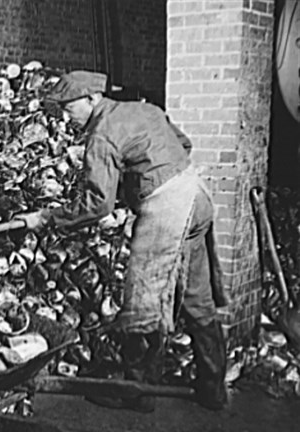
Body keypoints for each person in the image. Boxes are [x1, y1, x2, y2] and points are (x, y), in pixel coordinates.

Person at [18, 70, 230, 411]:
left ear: (91, 99)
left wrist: (45, 218)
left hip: (169, 206)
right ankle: (213, 386)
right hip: (196, 193)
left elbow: (97, 205)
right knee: (196, 294)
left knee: (142, 298)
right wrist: (141, 180)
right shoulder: (144, 109)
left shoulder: (101, 135)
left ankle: (137, 390)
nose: (64, 114)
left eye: (68, 106)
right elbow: (184, 144)